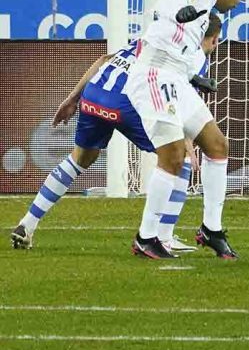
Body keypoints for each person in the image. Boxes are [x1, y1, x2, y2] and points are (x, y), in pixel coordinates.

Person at [10, 15, 222, 251]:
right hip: (126, 101)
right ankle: (163, 238)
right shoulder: (194, 55)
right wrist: (185, 139)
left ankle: (27, 224)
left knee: (80, 158)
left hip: (94, 94)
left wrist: (73, 99)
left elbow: (104, 59)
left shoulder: (152, 39)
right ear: (214, 39)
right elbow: (172, 96)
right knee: (180, 156)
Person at [125, 0, 249, 259]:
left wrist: (195, 78)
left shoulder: (207, 12)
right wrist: (182, 13)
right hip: (155, 74)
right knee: (172, 156)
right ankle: (146, 237)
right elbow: (166, 7)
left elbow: (176, 37)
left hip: (176, 77)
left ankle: (211, 229)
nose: (238, 2)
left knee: (218, 146)